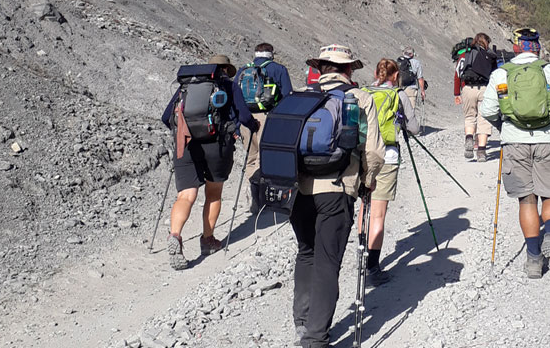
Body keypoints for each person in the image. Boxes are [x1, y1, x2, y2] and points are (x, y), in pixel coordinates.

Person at [291, 44, 385, 348]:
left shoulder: (302, 95)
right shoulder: (358, 98)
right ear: (348, 70)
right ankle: (316, 339)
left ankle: (302, 324)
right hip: (336, 188)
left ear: (320, 68)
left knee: (306, 253)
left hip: (298, 191)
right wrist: (367, 182)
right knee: (328, 262)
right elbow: (372, 150)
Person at [479, 28, 550, 279]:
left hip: (515, 143)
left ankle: (534, 260)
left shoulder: (501, 74)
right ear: (537, 48)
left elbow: (489, 110)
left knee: (527, 199)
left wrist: (506, 129)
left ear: (516, 48)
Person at [161, 54, 258, 270]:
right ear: (225, 69)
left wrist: (184, 134)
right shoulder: (229, 86)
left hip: (185, 145)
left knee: (186, 195)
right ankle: (208, 240)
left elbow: (166, 116)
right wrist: (253, 126)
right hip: (217, 145)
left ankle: (175, 235)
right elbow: (243, 116)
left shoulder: (187, 85)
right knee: (213, 193)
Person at [358, 58, 421, 285]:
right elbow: (415, 128)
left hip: (362, 156)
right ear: (395, 76)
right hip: (387, 157)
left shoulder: (362, 92)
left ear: (376, 72)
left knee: (364, 206)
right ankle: (372, 268)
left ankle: (361, 253)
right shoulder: (398, 94)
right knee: (378, 214)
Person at [233, 42, 293, 213]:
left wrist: (237, 124)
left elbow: (235, 96)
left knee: (251, 157)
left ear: (256, 53)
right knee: (265, 157)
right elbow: (287, 96)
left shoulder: (243, 69)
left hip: (245, 118)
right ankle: (264, 198)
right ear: (271, 53)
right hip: (268, 118)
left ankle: (255, 199)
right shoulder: (279, 69)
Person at [454, 32, 496, 161]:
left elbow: (457, 74)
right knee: (483, 118)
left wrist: (457, 93)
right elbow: (494, 75)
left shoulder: (464, 54)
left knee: (469, 116)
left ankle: (469, 138)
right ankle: (482, 152)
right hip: (485, 89)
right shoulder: (490, 56)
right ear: (486, 42)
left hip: (468, 88)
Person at [397, 46, 427, 116]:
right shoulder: (416, 63)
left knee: (399, 108)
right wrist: (422, 91)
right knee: (410, 110)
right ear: (412, 54)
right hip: (411, 89)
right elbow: (420, 78)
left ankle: (400, 124)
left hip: (399, 88)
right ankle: (409, 125)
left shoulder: (398, 62)